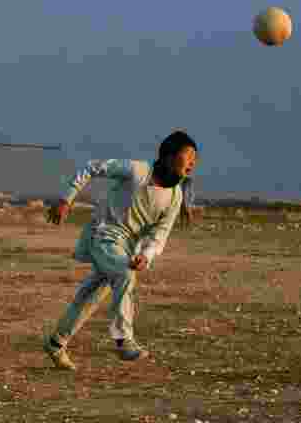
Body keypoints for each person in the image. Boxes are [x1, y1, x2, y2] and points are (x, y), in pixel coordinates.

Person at [43, 131, 198, 370]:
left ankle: (56, 342)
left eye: (195, 159)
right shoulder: (137, 171)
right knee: (125, 274)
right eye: (187, 156)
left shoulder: (175, 195)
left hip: (126, 247)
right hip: (102, 234)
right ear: (168, 157)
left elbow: (160, 234)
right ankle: (123, 339)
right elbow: (92, 167)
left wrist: (145, 256)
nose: (192, 163)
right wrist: (67, 199)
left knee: (90, 296)